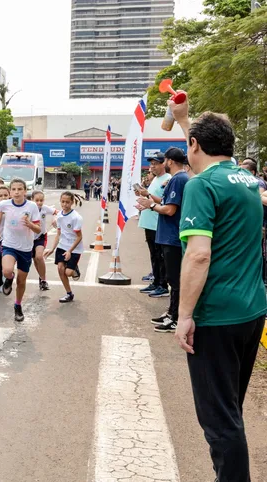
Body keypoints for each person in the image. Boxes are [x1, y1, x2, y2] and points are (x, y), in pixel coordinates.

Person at [171, 97, 267, 481]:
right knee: (230, 409)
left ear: (194, 146)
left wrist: (184, 316)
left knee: (219, 420)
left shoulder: (202, 186)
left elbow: (197, 256)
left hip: (217, 316)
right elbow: (205, 149)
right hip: (250, 311)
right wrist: (185, 122)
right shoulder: (248, 181)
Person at [137, 147, 190, 332]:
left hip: (173, 237)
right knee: (172, 278)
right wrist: (150, 201)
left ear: (170, 161)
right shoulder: (179, 179)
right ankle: (171, 313)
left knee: (175, 280)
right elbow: (165, 203)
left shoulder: (178, 179)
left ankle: (175, 318)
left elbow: (169, 209)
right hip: (170, 236)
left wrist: (150, 205)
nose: (162, 163)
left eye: (164, 160)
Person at [0, 178, 41, 321]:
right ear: (10, 191)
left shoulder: (31, 206)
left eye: (20, 189)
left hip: (25, 248)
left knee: (21, 281)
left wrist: (30, 224)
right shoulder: (5, 204)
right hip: (9, 244)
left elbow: (39, 228)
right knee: (6, 270)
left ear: (25, 191)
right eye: (13, 189)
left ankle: (18, 305)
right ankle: (8, 278)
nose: (16, 192)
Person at [134, 153, 171, 298]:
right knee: (154, 255)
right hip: (149, 224)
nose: (152, 166)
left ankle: (163, 285)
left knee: (160, 256)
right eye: (151, 164)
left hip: (158, 224)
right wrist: (144, 201)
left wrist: (147, 194)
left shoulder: (168, 179)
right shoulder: (156, 179)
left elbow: (164, 201)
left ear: (164, 164)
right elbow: (152, 201)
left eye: (155, 163)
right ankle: (156, 282)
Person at [44, 192, 83, 303]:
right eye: (63, 202)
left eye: (67, 202)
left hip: (74, 248)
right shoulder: (59, 215)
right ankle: (69, 294)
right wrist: (52, 249)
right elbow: (58, 233)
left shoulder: (76, 218)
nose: (65, 204)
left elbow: (79, 237)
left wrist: (70, 251)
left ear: (72, 202)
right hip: (62, 246)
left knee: (68, 273)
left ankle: (74, 268)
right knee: (60, 269)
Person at [31, 190, 58, 291]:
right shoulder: (29, 209)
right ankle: (41, 277)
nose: (39, 202)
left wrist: (55, 218)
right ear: (32, 200)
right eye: (36, 200)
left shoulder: (45, 208)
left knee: (39, 256)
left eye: (41, 200)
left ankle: (43, 280)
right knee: (35, 260)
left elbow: (56, 212)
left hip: (41, 236)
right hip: (29, 238)